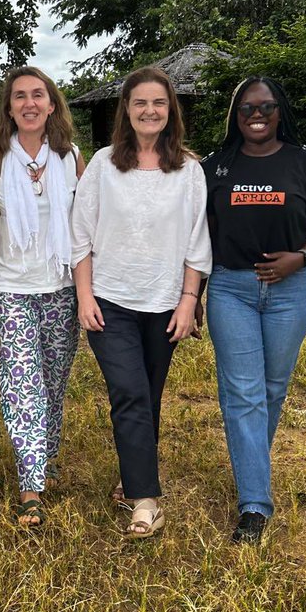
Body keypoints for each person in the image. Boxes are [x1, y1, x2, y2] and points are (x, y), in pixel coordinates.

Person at [71, 67, 211, 538]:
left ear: (170, 111)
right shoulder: (104, 165)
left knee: (148, 396)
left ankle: (132, 475)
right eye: (140, 103)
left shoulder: (189, 170)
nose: (149, 111)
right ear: (126, 112)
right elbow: (81, 236)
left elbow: (198, 242)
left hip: (166, 302)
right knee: (129, 392)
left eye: (158, 103)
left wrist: (189, 301)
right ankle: (146, 500)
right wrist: (84, 296)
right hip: (110, 301)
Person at [202, 76, 306, 545]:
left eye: (265, 107)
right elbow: (204, 234)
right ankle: (255, 505)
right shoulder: (215, 167)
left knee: (272, 389)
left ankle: (249, 468)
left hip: (291, 291)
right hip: (231, 289)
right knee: (243, 393)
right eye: (246, 109)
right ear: (234, 116)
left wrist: (298, 258)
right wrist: (193, 293)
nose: (256, 115)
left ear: (280, 111)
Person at [0, 66, 84, 529]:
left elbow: (88, 224)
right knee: (23, 385)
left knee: (54, 383)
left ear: (52, 104)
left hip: (61, 286)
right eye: (20, 96)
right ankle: (31, 485)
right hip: (12, 286)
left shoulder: (72, 157)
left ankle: (48, 456)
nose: (30, 103)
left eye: (38, 95)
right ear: (10, 108)